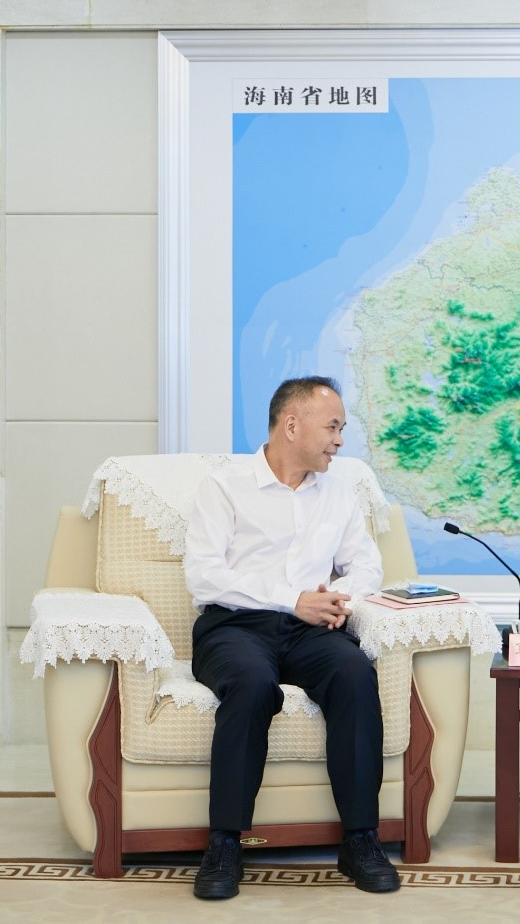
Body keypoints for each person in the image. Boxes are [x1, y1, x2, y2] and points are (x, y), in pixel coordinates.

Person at [182, 376, 398, 900]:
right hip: (234, 626)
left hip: (310, 629)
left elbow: (366, 566)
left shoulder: (340, 491)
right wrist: (291, 598)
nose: (339, 440)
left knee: (353, 673)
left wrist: (337, 600)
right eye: (332, 427)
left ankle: (361, 839)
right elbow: (204, 576)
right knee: (252, 684)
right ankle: (225, 842)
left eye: (342, 429)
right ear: (292, 425)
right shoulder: (225, 487)